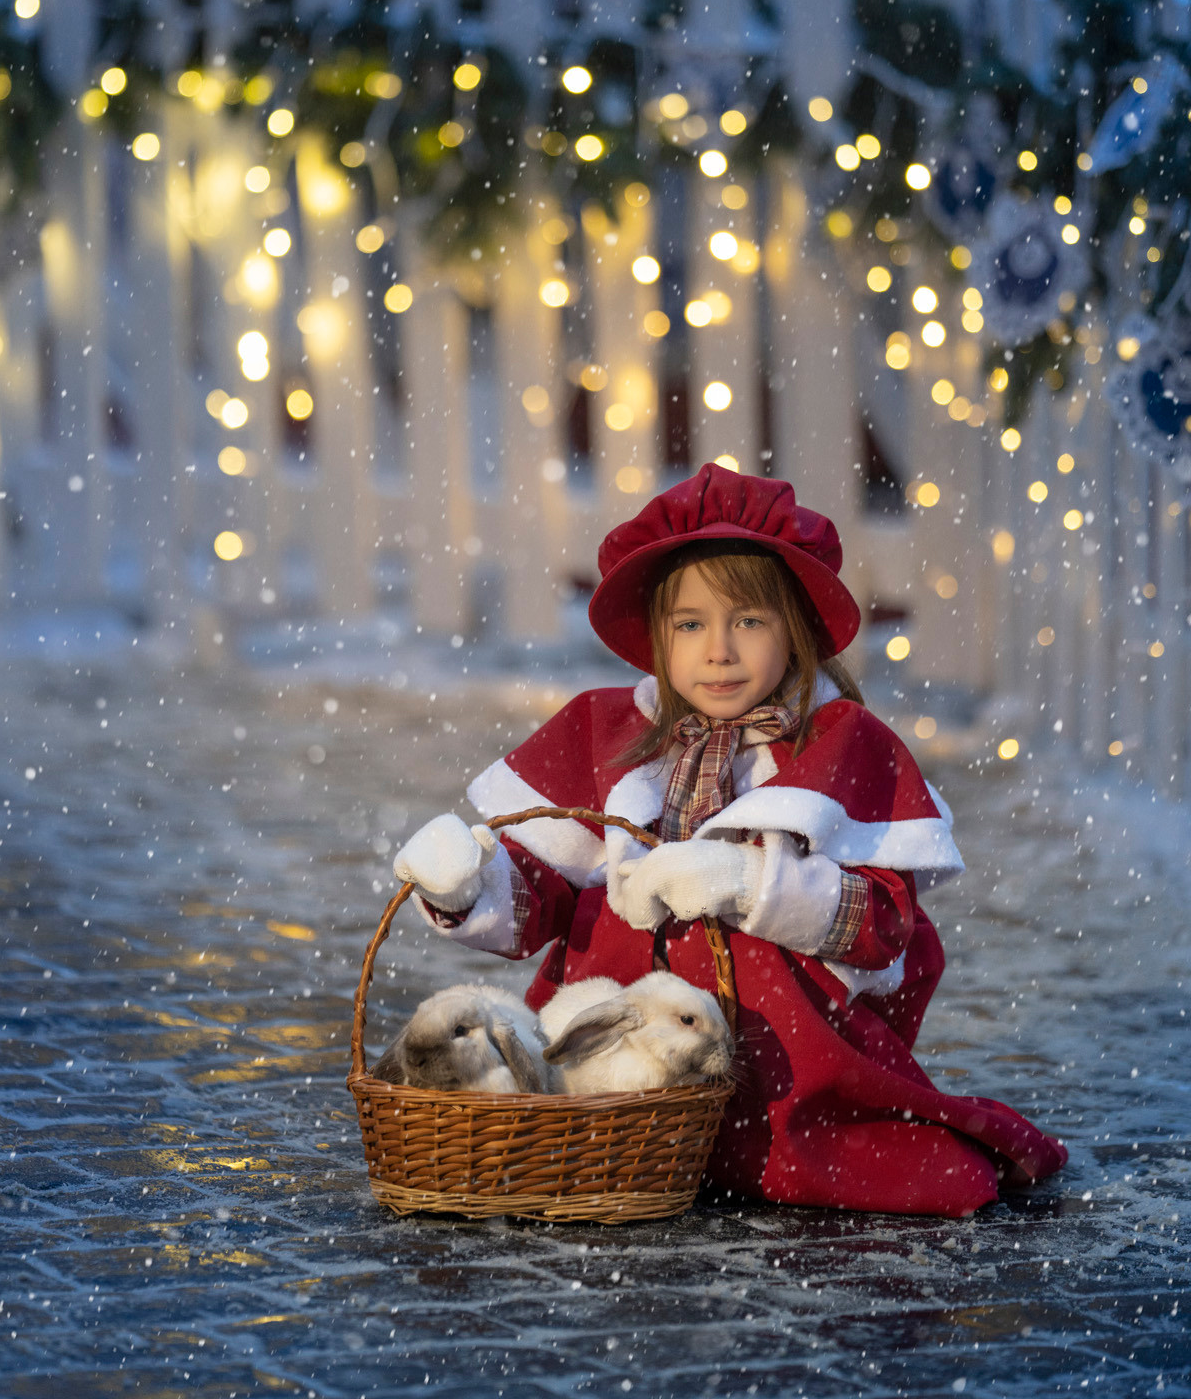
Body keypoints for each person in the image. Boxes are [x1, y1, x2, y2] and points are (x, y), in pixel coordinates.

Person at [392, 463, 1067, 1216]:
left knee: (937, 1180)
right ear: (657, 634)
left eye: (748, 621)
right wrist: (464, 890)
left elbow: (881, 925)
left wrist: (747, 883)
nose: (718, 650)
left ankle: (766, 1150)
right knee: (519, 1107)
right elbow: (541, 899)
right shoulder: (607, 735)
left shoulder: (842, 746)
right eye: (690, 624)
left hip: (777, 1073)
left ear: (797, 630)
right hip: (613, 1071)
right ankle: (632, 1151)